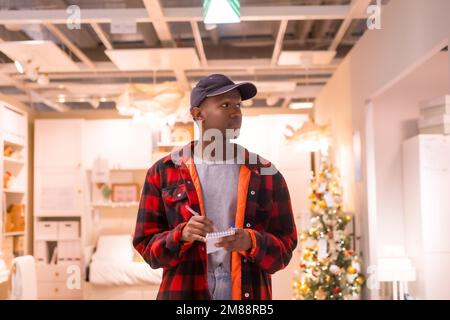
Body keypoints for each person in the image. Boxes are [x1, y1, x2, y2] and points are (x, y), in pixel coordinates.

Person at [133, 74, 297, 300]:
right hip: (186, 292)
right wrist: (181, 235)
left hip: (247, 292)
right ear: (197, 114)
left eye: (238, 105)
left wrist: (252, 241)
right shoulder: (163, 172)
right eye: (225, 105)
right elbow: (147, 248)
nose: (235, 112)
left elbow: (285, 248)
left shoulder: (266, 173)